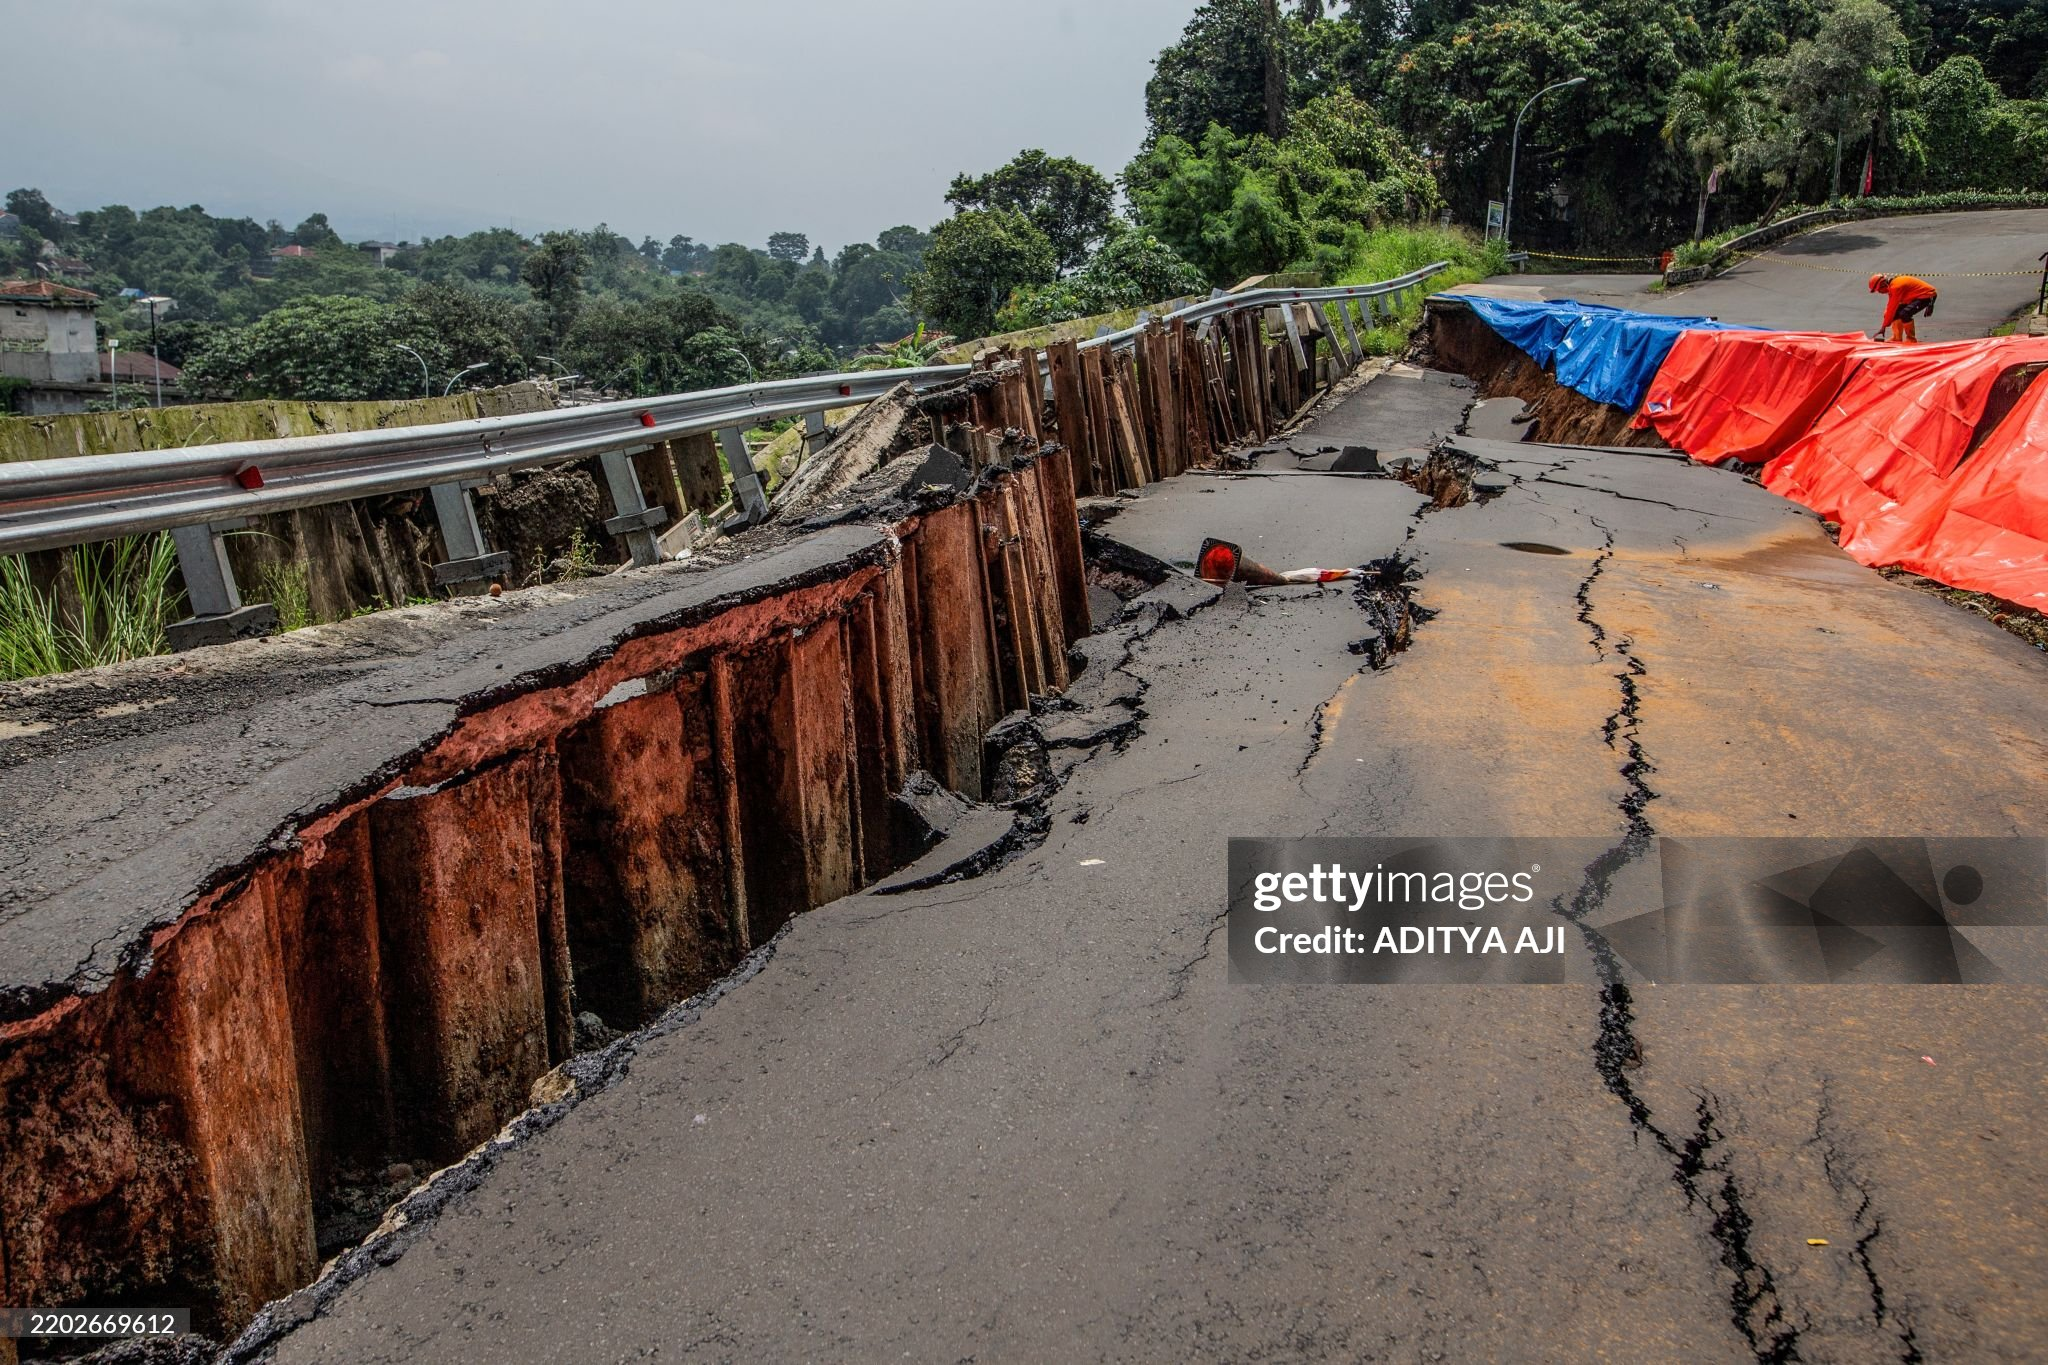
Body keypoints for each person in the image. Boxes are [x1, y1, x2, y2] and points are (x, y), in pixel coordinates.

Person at [1869, 273, 1937, 343]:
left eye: (1879, 290)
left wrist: (1883, 327)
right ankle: (1897, 337)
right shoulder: (1892, 286)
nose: (1880, 292)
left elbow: (1892, 308)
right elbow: (1890, 307)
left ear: (1883, 284)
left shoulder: (1896, 287)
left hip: (1927, 295)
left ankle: (1911, 339)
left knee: (1905, 313)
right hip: (1915, 296)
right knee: (1894, 313)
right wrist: (1885, 323)